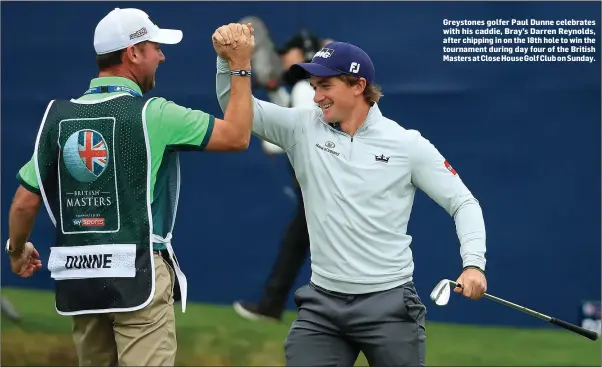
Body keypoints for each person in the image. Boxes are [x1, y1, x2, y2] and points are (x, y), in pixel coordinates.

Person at [213, 24, 487, 367]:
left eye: (325, 86)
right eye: (314, 87)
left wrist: (474, 264)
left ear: (359, 86)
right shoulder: (301, 127)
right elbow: (235, 105)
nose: (316, 97)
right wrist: (230, 62)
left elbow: (463, 203)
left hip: (389, 305)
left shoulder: (406, 144)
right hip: (322, 307)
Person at [6, 10, 254, 367]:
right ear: (133, 53)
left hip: (82, 277)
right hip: (139, 273)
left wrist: (16, 251)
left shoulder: (59, 118)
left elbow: (23, 203)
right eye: (155, 47)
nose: (162, 56)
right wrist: (240, 65)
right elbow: (237, 135)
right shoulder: (154, 113)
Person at [233, 29, 330, 322]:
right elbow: (283, 137)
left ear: (300, 54)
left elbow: (286, 139)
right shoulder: (313, 85)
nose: (282, 57)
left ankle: (272, 305)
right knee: (302, 243)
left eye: (288, 51)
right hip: (325, 185)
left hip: (321, 185)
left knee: (305, 244)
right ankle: (273, 305)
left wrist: (275, 90)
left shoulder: (304, 87)